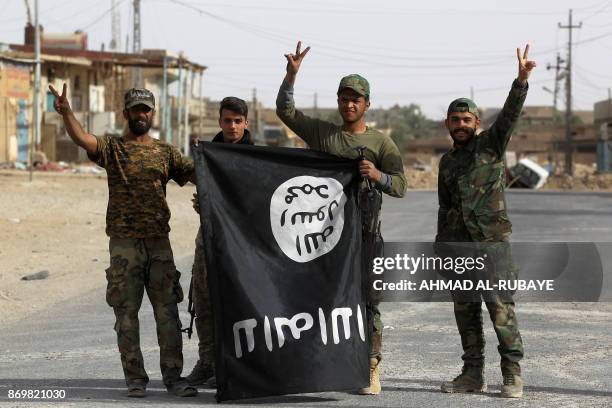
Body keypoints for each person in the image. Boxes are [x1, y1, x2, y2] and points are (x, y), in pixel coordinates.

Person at [49, 84, 198, 398]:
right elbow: (82, 138)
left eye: (145, 109)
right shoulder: (112, 148)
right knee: (126, 315)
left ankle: (174, 378)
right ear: (126, 113)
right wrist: (67, 113)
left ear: (152, 113)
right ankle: (135, 379)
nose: (140, 114)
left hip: (159, 243)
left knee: (167, 313)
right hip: (124, 245)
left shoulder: (166, 152)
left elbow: (199, 176)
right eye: (135, 109)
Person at [275, 41, 407, 396]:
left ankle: (370, 367)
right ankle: (317, 366)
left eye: (356, 99)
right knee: (317, 300)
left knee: (367, 300)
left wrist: (378, 176)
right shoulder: (323, 134)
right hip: (323, 236)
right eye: (344, 98)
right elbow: (285, 112)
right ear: (338, 102)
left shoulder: (382, 144)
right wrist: (291, 76)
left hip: (364, 236)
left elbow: (401, 186)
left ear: (366, 104)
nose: (350, 104)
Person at [436, 45, 536, 399]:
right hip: (459, 249)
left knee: (500, 310)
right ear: (448, 124)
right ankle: (472, 374)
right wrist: (442, 250)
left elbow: (509, 115)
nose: (461, 125)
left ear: (477, 124)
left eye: (467, 120)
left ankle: (512, 374)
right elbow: (444, 207)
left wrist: (520, 81)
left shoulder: (491, 147)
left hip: (491, 246)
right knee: (465, 313)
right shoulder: (447, 163)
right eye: (455, 120)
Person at [186, 97, 254, 387]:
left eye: (238, 121)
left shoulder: (256, 159)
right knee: (203, 300)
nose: (232, 126)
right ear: (220, 121)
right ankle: (208, 362)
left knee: (241, 302)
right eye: (227, 120)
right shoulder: (207, 155)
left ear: (246, 123)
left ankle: (239, 365)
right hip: (210, 237)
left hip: (244, 242)